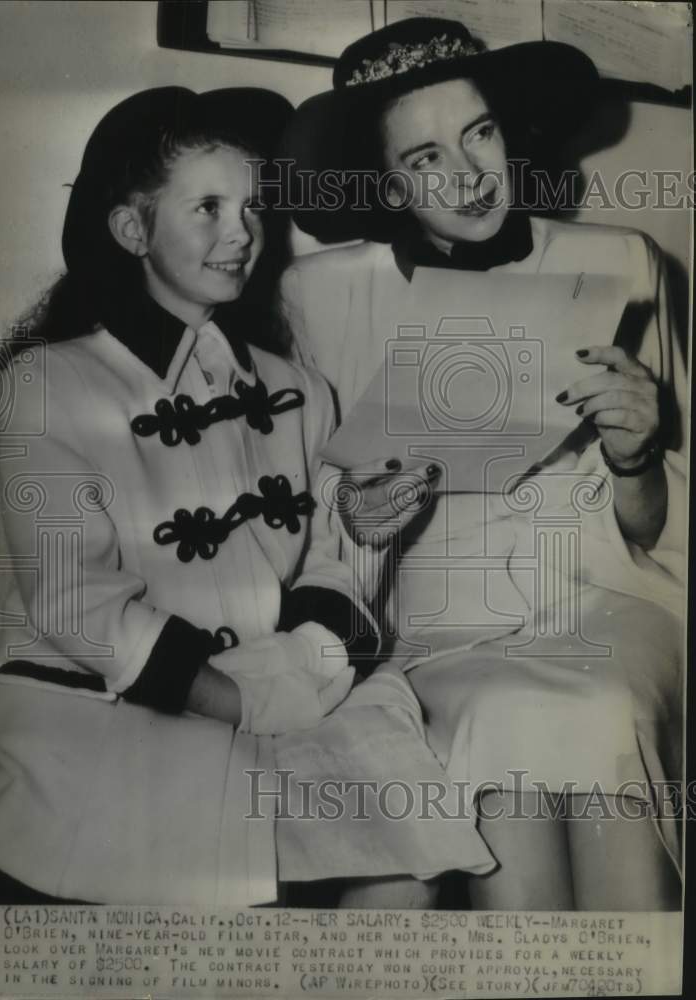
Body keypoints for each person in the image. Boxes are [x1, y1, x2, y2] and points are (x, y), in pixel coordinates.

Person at [0, 86, 496, 908]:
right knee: (214, 880)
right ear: (132, 229)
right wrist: (233, 698)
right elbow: (73, 598)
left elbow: (333, 553)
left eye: (251, 206)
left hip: (289, 683)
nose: (241, 232)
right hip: (117, 702)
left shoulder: (298, 388)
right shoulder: (48, 383)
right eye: (207, 208)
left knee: (407, 875)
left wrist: (356, 542)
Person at [279, 18, 687, 910]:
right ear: (383, 181)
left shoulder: (620, 260)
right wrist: (359, 511)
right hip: (436, 623)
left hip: (605, 598)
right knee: (509, 718)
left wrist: (634, 452)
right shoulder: (320, 294)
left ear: (512, 133)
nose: (467, 177)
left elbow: (660, 531)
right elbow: (315, 514)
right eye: (423, 158)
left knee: (596, 707)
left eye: (480, 134)